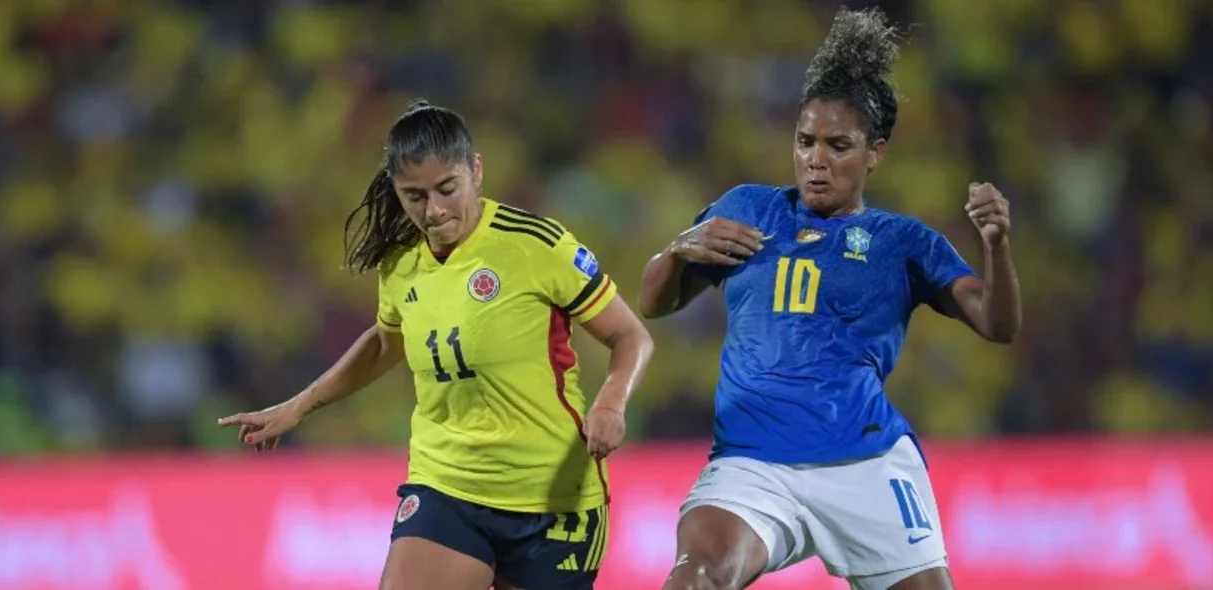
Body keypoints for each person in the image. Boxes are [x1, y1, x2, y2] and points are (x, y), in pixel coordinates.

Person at [638, 8, 1021, 590]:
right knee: (695, 579)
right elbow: (654, 303)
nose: (816, 159)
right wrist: (678, 249)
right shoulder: (747, 210)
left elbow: (997, 324)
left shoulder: (903, 242)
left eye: (838, 145)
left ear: (875, 152)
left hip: (866, 463)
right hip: (752, 464)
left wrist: (996, 245)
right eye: (805, 142)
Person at [218, 100, 654, 590]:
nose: (434, 211)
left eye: (448, 189)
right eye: (415, 196)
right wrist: (299, 406)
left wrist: (611, 404)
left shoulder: (536, 246)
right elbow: (384, 344)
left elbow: (630, 336)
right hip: (447, 486)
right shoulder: (400, 263)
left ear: (476, 171)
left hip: (551, 498)